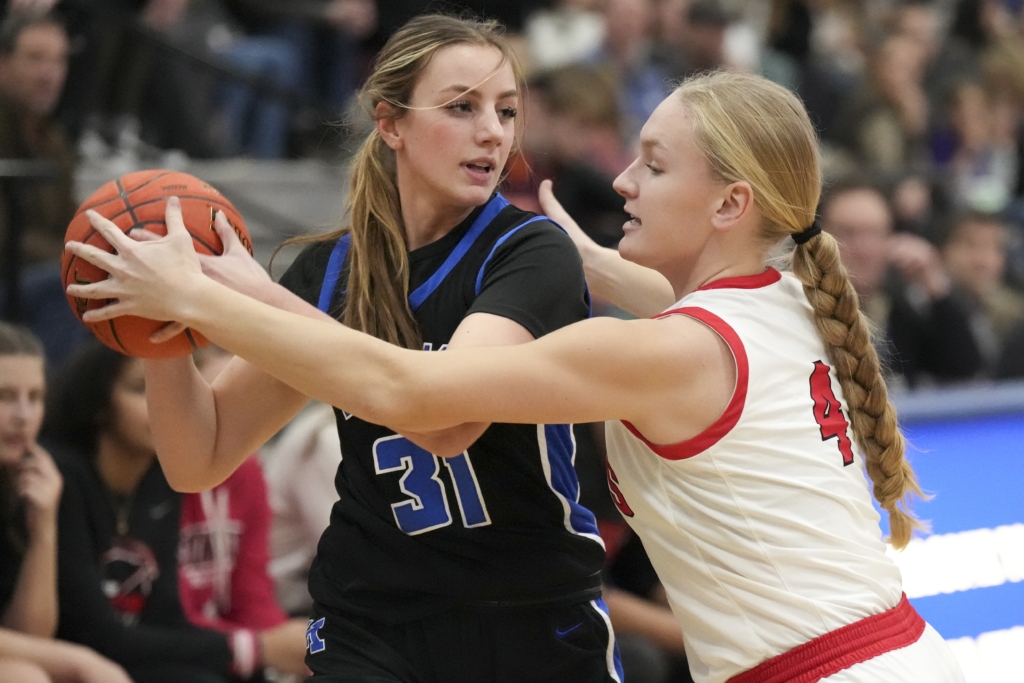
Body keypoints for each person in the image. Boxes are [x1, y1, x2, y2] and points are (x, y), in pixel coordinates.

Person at [66, 69, 969, 682]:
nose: (621, 178)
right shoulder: (791, 296)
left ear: (732, 203)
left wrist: (211, 296)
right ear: (389, 124)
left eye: (653, 166)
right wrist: (590, 260)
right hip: (896, 653)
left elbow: (417, 399)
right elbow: (667, 289)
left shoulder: (672, 347)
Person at [70, 14, 616, 683]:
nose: (492, 131)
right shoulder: (328, 272)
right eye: (462, 106)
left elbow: (443, 419)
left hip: (527, 614)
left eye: (506, 111)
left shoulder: (528, 252)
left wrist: (213, 299)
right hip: (371, 619)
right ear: (390, 124)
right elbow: (197, 457)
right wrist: (159, 326)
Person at [40, 342, 309, 683]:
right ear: (98, 403)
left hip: (138, 653)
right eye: (140, 390)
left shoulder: (164, 477)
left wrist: (256, 652)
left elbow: (168, 616)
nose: (159, 404)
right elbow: (95, 633)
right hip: (70, 659)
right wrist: (250, 648)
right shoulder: (63, 476)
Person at [0, 322, 132, 683]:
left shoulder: (25, 483)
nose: (24, 416)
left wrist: (43, 529)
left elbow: (29, 636)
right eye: (5, 396)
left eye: (35, 397)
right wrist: (79, 660)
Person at [179, 345, 311, 678]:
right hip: (182, 653)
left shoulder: (248, 470)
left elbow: (252, 593)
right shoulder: (156, 473)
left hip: (233, 646)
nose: (227, 414)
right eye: (213, 400)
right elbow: (162, 615)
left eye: (240, 400)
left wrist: (287, 644)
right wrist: (259, 646)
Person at [819, 177, 983, 387]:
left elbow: (964, 370)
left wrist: (937, 290)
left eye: (875, 233)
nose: (863, 249)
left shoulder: (901, 311)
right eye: (848, 233)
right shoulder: (798, 309)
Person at [0, 10, 88, 367]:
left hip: (38, 272)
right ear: (3, 65)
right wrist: (74, 259)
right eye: (35, 59)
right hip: (12, 277)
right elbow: (5, 237)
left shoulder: (53, 139)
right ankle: (50, 409)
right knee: (67, 284)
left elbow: (72, 219)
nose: (49, 74)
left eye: (58, 61)